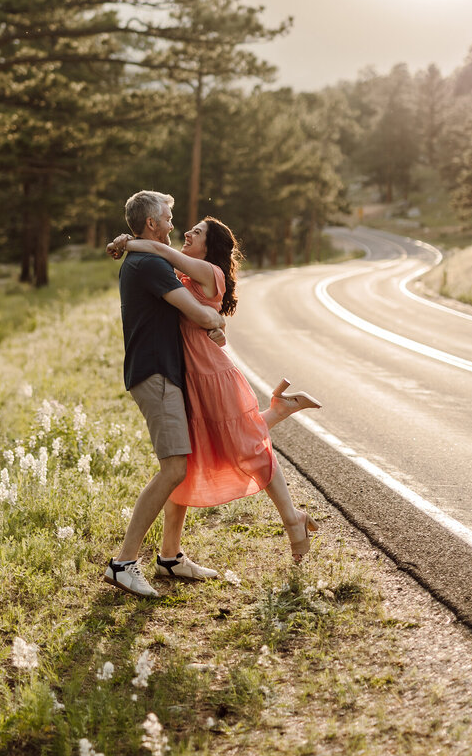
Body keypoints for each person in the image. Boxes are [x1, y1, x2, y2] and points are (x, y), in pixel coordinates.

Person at [107, 209, 322, 583]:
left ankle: (292, 519)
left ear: (210, 246)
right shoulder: (183, 276)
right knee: (198, 458)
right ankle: (170, 557)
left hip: (211, 373)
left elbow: (170, 257)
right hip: (190, 374)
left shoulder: (210, 272)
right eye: (185, 226)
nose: (187, 231)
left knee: (248, 444)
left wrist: (126, 242)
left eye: (198, 231)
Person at [104, 190, 227, 598]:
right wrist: (212, 319)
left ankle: (170, 558)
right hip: (154, 373)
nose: (174, 225)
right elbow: (200, 312)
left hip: (163, 372)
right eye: (169, 218)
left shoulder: (147, 259)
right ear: (152, 224)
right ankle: (123, 563)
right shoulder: (150, 264)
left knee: (182, 464)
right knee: (174, 467)